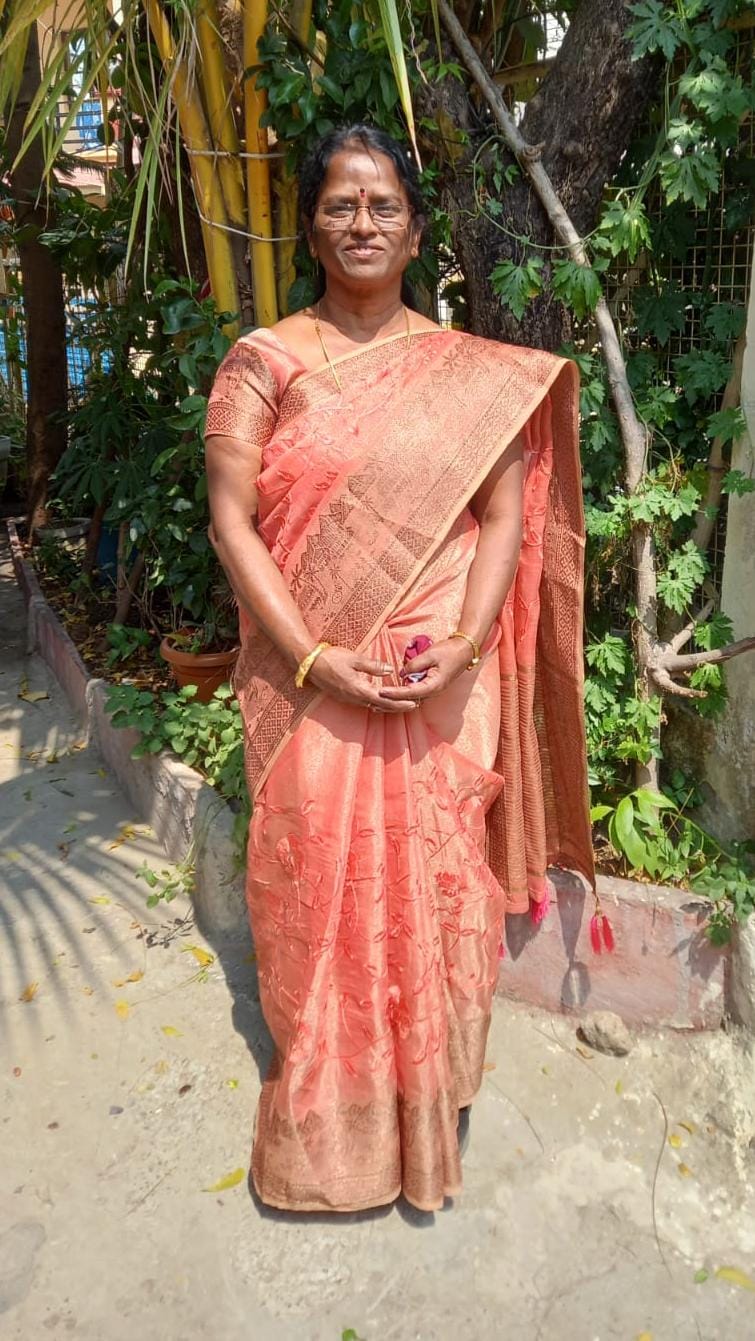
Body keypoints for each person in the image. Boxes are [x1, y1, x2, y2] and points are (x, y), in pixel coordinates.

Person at [204, 124, 592, 1213]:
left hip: (439, 676)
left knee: (436, 877)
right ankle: (337, 1114)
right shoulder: (263, 363)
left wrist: (464, 645)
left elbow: (504, 513)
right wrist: (313, 655)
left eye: (383, 206)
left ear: (417, 232)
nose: (362, 223)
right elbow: (232, 522)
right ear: (310, 228)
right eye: (340, 204)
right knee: (320, 877)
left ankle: (430, 1088)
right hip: (310, 669)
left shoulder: (470, 374)